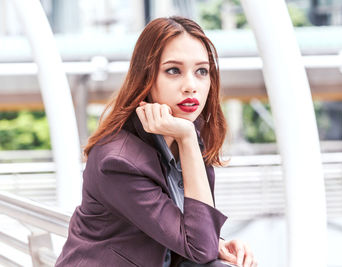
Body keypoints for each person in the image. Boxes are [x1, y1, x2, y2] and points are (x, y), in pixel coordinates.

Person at [55, 16, 256, 267]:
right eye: (174, 71)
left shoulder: (189, 135)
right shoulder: (118, 160)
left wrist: (219, 243)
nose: (191, 86)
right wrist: (187, 139)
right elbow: (200, 248)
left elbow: (195, 236)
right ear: (147, 77)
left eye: (201, 71)